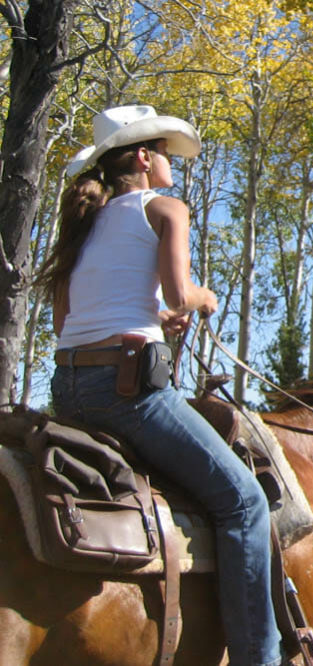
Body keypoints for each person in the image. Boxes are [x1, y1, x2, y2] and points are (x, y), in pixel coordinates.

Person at [36, 105, 282, 665]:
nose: (171, 162)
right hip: (130, 395)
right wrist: (202, 297)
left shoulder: (83, 222)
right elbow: (179, 293)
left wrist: (154, 318)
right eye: (164, 152)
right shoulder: (166, 208)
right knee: (244, 503)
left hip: (69, 390)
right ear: (144, 159)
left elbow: (66, 324)